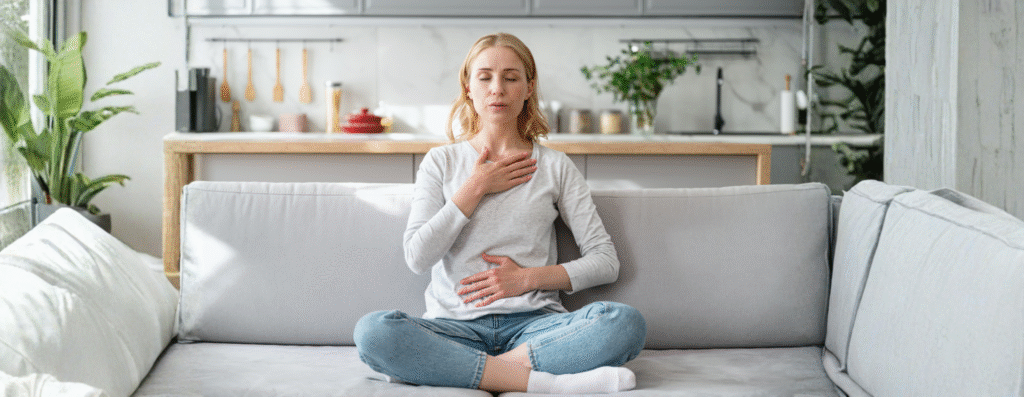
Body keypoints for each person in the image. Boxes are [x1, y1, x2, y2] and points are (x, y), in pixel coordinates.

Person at [354, 32, 646, 394]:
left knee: (624, 323)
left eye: (511, 78)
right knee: (373, 332)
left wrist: (528, 279)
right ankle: (546, 384)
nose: (498, 89)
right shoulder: (441, 162)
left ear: (528, 88)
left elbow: (605, 261)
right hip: (455, 328)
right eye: (485, 77)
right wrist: (474, 187)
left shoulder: (555, 166)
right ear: (468, 86)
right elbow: (418, 256)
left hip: (535, 329)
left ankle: (453, 370)